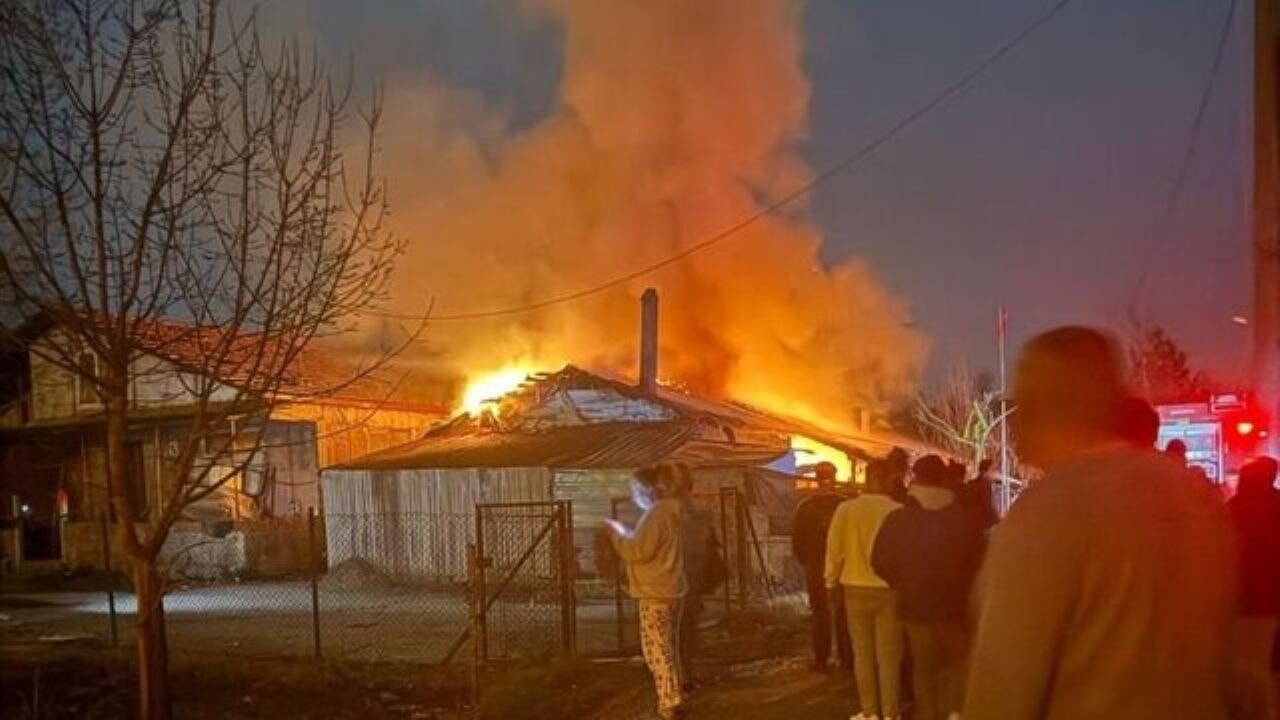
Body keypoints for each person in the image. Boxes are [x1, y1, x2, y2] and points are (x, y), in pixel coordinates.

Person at [963, 326, 1237, 719]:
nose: (1014, 420)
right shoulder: (1194, 495)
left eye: (1022, 401)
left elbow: (1001, 687)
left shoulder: (1049, 511)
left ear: (1051, 403)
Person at [872, 455, 986, 720]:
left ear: (915, 479)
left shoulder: (897, 520)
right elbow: (981, 561)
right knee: (959, 665)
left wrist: (902, 583)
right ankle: (956, 713)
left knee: (923, 669)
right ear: (944, 480)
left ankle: (929, 714)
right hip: (955, 609)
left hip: (914, 608)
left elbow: (880, 562)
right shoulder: (965, 520)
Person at [606, 465, 687, 719]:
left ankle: (668, 702)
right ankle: (675, 691)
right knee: (668, 647)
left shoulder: (657, 514)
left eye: (636, 489)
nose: (634, 495)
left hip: (656, 593)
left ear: (651, 489)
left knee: (656, 650)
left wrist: (617, 536)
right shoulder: (671, 512)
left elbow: (638, 551)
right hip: (672, 589)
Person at [826, 459, 905, 720]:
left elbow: (834, 550)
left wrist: (830, 582)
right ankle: (891, 713)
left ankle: (870, 712)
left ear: (866, 478)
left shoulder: (846, 510)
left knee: (863, 654)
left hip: (854, 588)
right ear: (888, 480)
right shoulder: (897, 511)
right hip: (888, 590)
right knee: (889, 656)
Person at [1226, 456, 1280, 720]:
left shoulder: (1232, 508)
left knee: (1244, 666)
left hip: (1238, 600)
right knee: (1267, 669)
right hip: (1271, 599)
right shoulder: (1276, 505)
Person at [791, 461, 853, 672]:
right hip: (842, 567)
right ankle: (847, 659)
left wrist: (807, 561)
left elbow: (797, 541)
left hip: (816, 567)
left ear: (816, 478)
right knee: (843, 614)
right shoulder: (844, 506)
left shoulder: (805, 507)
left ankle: (821, 659)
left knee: (820, 613)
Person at [672, 462, 721, 692]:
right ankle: (683, 677)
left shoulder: (674, 510)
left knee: (679, 632)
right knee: (684, 632)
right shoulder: (688, 509)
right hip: (686, 582)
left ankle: (680, 679)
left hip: (679, 582)